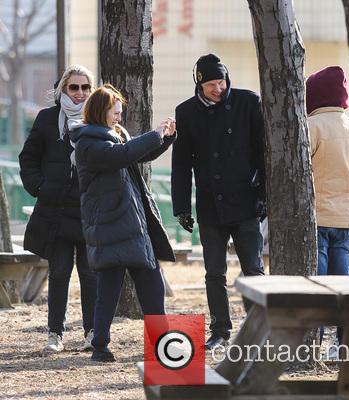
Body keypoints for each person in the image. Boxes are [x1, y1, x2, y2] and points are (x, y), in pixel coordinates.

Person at [69, 84, 177, 362]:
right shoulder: (88, 144)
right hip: (111, 224)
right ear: (99, 112)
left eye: (119, 113)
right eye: (114, 113)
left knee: (145, 286)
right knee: (115, 289)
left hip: (129, 223)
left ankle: (110, 344)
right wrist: (154, 134)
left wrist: (165, 138)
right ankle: (105, 345)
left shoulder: (114, 136)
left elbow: (136, 154)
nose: (119, 117)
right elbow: (123, 155)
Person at [171, 53, 266, 350]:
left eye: (221, 81)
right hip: (211, 203)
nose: (218, 88)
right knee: (214, 272)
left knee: (253, 269)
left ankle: (257, 330)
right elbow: (182, 163)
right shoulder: (186, 112)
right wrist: (182, 208)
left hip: (246, 200)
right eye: (211, 83)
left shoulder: (248, 102)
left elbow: (262, 151)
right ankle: (220, 330)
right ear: (199, 84)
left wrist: (263, 193)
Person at [19, 64, 97, 353]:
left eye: (85, 87)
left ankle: (92, 332)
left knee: (90, 274)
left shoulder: (99, 119)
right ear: (63, 89)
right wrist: (40, 187)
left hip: (89, 211)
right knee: (59, 272)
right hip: (56, 211)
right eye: (73, 87)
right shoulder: (47, 119)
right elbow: (27, 159)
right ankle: (55, 334)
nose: (80, 93)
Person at [306, 66, 349, 355]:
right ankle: (345, 342)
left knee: (317, 284)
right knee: (343, 282)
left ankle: (314, 342)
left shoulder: (312, 127)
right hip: (347, 217)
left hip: (318, 215)